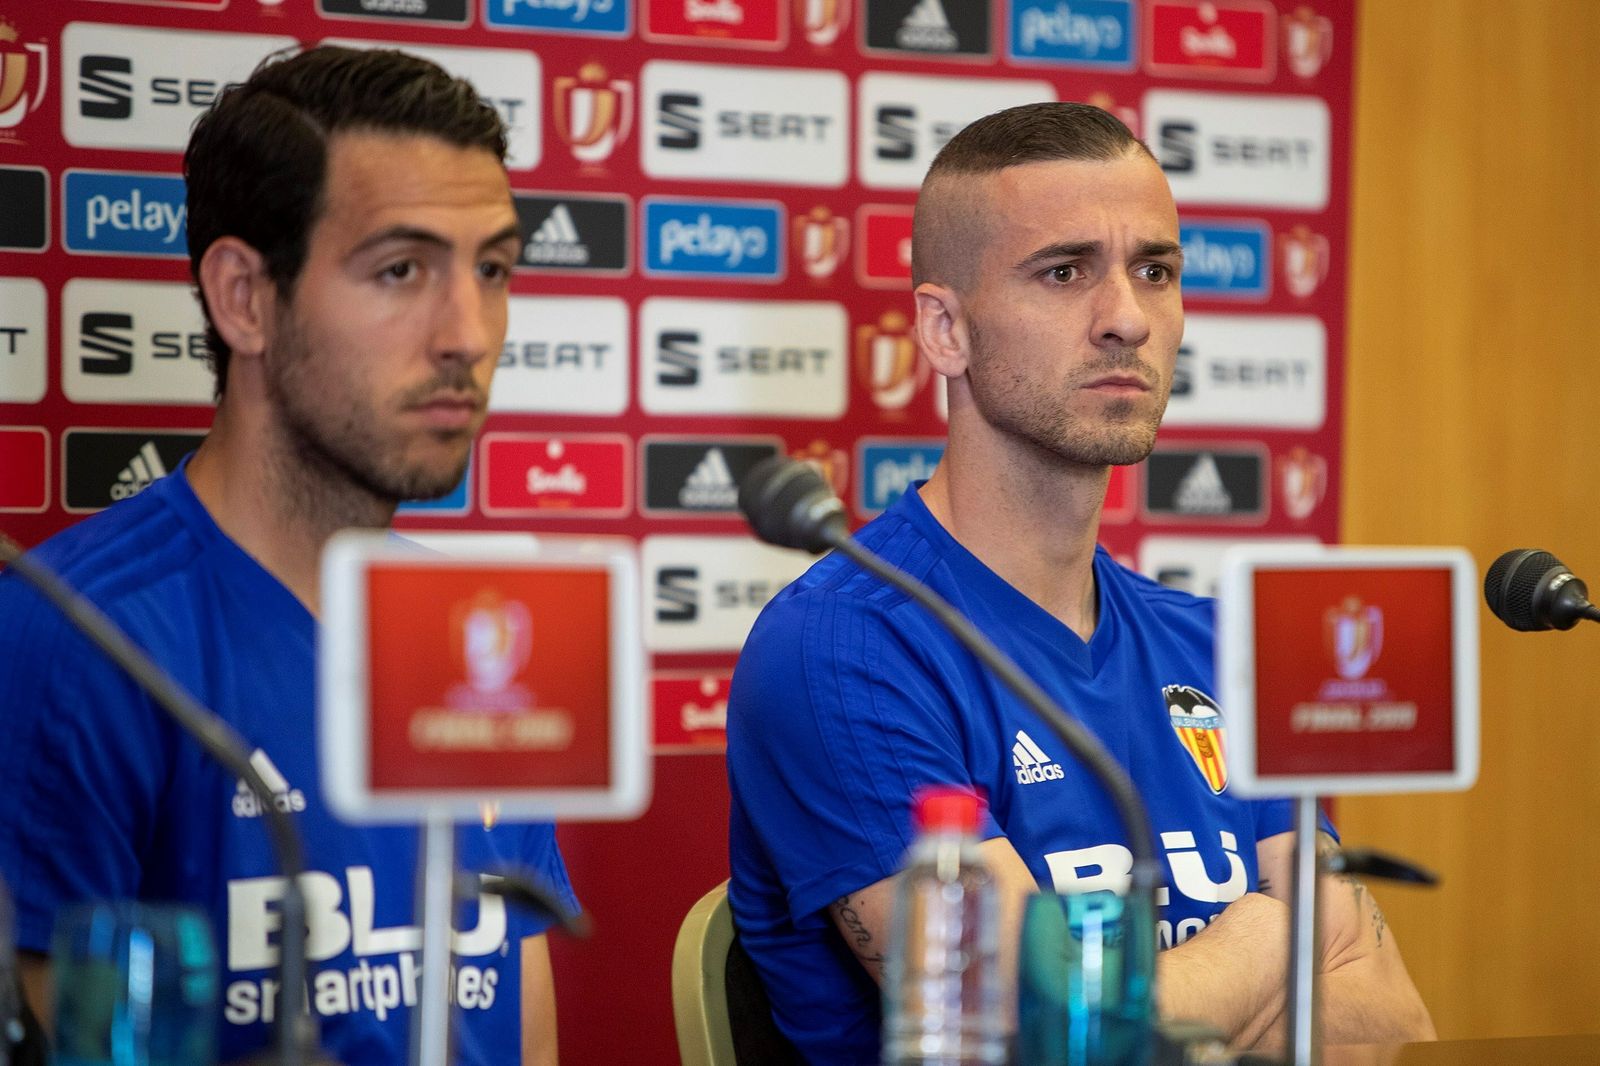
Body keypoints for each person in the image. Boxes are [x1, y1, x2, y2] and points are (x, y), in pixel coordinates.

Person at [725, 102, 1434, 1062]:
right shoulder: (844, 649)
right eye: (1064, 272)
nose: (1127, 319)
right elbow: (1042, 1032)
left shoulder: (1217, 647)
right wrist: (1276, 936)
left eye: (1156, 271)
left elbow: (1391, 1029)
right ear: (945, 329)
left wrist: (1157, 1006)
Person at [0, 46, 572, 1065]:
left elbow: (519, 1031)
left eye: (490, 269)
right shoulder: (79, 642)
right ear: (245, 298)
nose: (467, 333)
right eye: (401, 270)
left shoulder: (476, 630)